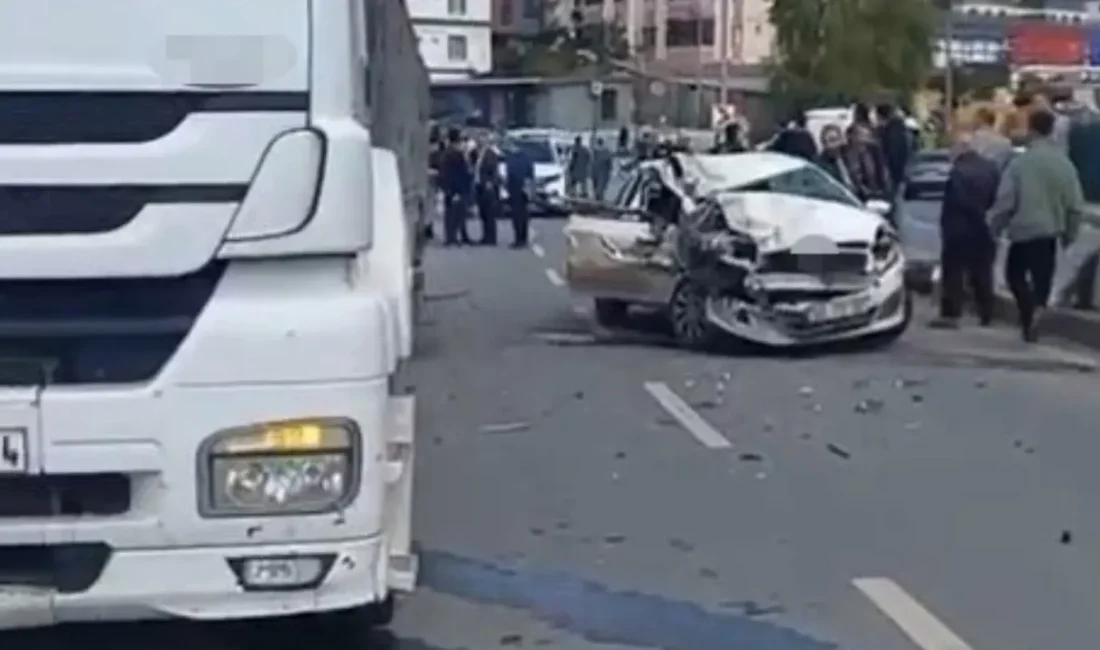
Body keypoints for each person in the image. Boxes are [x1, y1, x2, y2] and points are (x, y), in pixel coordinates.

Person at [988, 109, 1085, 342]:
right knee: (1043, 278)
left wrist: (995, 226)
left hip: (1023, 231)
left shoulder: (1020, 164)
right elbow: (1075, 205)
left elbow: (1006, 200)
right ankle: (1038, 308)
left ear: (1031, 130)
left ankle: (1028, 311)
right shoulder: (1065, 165)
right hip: (1050, 232)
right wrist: (1070, 235)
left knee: (1015, 276)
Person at [930, 132, 1000, 329]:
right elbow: (997, 195)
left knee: (954, 272)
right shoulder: (991, 168)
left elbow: (958, 200)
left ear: (961, 149)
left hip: (958, 229)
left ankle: (952, 312)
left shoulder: (958, 171)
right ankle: (986, 311)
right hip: (984, 228)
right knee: (982, 271)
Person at [438, 128, 473, 246]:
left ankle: (452, 237)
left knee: (453, 213)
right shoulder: (454, 154)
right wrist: (456, 190)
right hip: (455, 188)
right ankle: (451, 238)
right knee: (454, 214)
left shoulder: (447, 153)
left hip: (451, 188)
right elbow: (457, 174)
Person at [844, 123, 891, 202]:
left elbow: (884, 171)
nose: (864, 139)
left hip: (879, 193)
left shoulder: (875, 152)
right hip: (858, 196)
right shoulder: (845, 154)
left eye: (867, 135)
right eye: (861, 135)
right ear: (850, 136)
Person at [874, 103, 911, 195]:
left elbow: (892, 149)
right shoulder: (899, 127)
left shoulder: (890, 129)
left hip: (893, 166)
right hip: (899, 165)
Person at [503, 139, 535, 248]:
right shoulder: (527, 158)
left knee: (517, 216)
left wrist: (507, 188)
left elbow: (510, 175)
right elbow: (531, 175)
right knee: (523, 215)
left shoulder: (511, 159)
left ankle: (518, 239)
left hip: (515, 189)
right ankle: (523, 238)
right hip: (524, 190)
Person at [473, 134, 503, 246]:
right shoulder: (482, 153)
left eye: (482, 140)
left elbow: (491, 170)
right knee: (484, 213)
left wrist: (488, 183)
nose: (479, 142)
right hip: (481, 185)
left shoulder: (490, 154)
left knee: (489, 213)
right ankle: (486, 236)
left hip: (487, 187)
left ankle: (491, 237)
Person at [970, 106, 1013, 171]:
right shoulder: (1006, 142)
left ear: (979, 120)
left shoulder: (973, 140)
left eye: (974, 119)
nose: (972, 122)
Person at [818, 123, 854, 190]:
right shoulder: (821, 164)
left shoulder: (849, 155)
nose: (836, 144)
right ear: (824, 144)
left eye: (837, 139)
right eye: (831, 141)